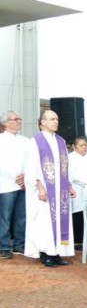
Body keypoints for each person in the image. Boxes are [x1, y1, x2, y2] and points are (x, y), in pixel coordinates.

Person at [24, 110, 75, 267]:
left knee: (60, 220)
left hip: (61, 190)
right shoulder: (35, 141)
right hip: (45, 190)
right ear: (42, 122)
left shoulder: (60, 141)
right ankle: (46, 253)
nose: (55, 122)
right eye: (52, 119)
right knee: (45, 221)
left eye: (57, 119)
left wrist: (70, 186)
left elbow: (66, 166)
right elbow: (33, 166)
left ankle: (57, 252)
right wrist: (39, 187)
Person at [0, 110, 28, 258]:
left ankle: (19, 244)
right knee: (5, 217)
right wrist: (15, 178)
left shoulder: (25, 141)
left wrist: (24, 177)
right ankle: (3, 246)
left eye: (19, 118)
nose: (19, 121)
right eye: (15, 119)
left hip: (23, 185)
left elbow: (30, 162)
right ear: (5, 123)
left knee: (21, 216)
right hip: (5, 185)